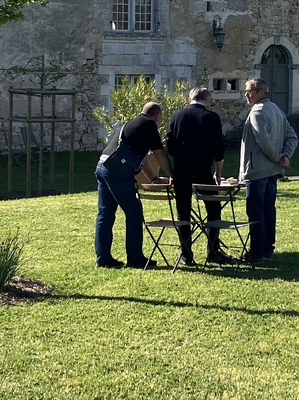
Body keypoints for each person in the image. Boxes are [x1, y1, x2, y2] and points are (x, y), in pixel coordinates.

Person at [94, 101, 170, 269]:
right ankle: (135, 258)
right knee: (134, 212)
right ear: (158, 116)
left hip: (102, 166)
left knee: (105, 214)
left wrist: (154, 178)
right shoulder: (150, 126)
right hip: (117, 173)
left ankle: (103, 258)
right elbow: (159, 155)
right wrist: (174, 176)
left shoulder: (132, 123)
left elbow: (140, 158)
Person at [167, 86, 227, 267]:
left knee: (183, 212)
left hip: (182, 170)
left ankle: (187, 255)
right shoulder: (211, 117)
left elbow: (170, 145)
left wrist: (175, 168)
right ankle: (213, 251)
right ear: (207, 101)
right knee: (213, 209)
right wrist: (218, 172)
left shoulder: (177, 116)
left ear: (189, 99)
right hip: (202, 170)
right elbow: (219, 150)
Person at [239, 78, 298, 263]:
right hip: (272, 170)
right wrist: (284, 156)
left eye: (250, 91)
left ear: (262, 92)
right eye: (246, 91)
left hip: (258, 171)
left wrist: (281, 157)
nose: (247, 95)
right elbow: (292, 137)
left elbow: (265, 142)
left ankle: (257, 252)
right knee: (268, 210)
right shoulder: (277, 110)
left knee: (256, 212)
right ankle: (267, 249)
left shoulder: (258, 112)